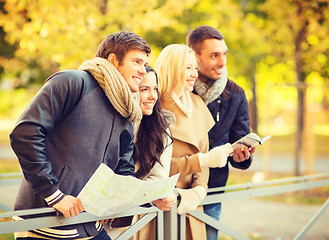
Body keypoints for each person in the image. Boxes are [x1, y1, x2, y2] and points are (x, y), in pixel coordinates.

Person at [10, 31, 151, 240]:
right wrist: (54, 195)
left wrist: (146, 198)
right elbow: (25, 133)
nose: (143, 70)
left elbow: (123, 168)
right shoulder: (72, 82)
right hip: (46, 224)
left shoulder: (126, 109)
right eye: (137, 62)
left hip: (90, 226)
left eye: (145, 64)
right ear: (113, 60)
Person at [155, 44, 233, 240]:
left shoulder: (197, 103)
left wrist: (199, 190)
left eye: (195, 68)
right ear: (172, 69)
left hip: (191, 205)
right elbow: (154, 166)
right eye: (187, 68)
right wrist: (202, 161)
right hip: (160, 206)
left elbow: (204, 154)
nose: (193, 74)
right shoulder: (154, 106)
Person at [186, 25, 256, 240]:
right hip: (175, 188)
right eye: (214, 55)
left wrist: (243, 156)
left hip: (212, 190)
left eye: (224, 54)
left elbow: (240, 139)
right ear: (194, 56)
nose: (222, 62)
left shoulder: (235, 94)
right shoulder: (178, 87)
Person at [107, 66, 176, 239]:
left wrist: (156, 196)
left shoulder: (161, 131)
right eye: (144, 89)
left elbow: (157, 179)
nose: (152, 96)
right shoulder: (110, 122)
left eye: (155, 89)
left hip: (128, 219)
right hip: (90, 215)